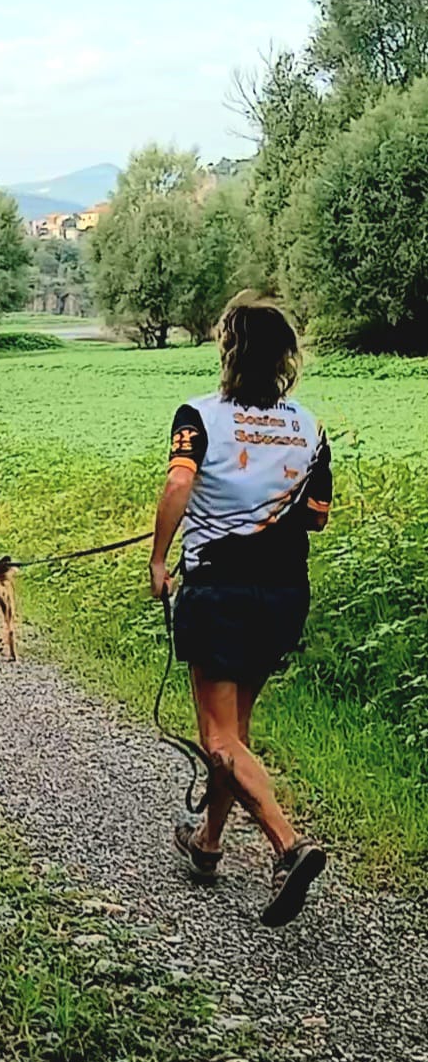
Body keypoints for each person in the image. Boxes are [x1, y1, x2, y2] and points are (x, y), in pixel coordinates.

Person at [149, 291, 332, 928]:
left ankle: (288, 846)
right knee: (236, 731)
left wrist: (157, 559)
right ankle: (207, 845)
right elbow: (316, 518)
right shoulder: (310, 428)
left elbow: (178, 483)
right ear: (286, 358)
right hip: (283, 594)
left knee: (217, 735)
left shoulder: (197, 417)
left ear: (227, 350)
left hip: (218, 589)